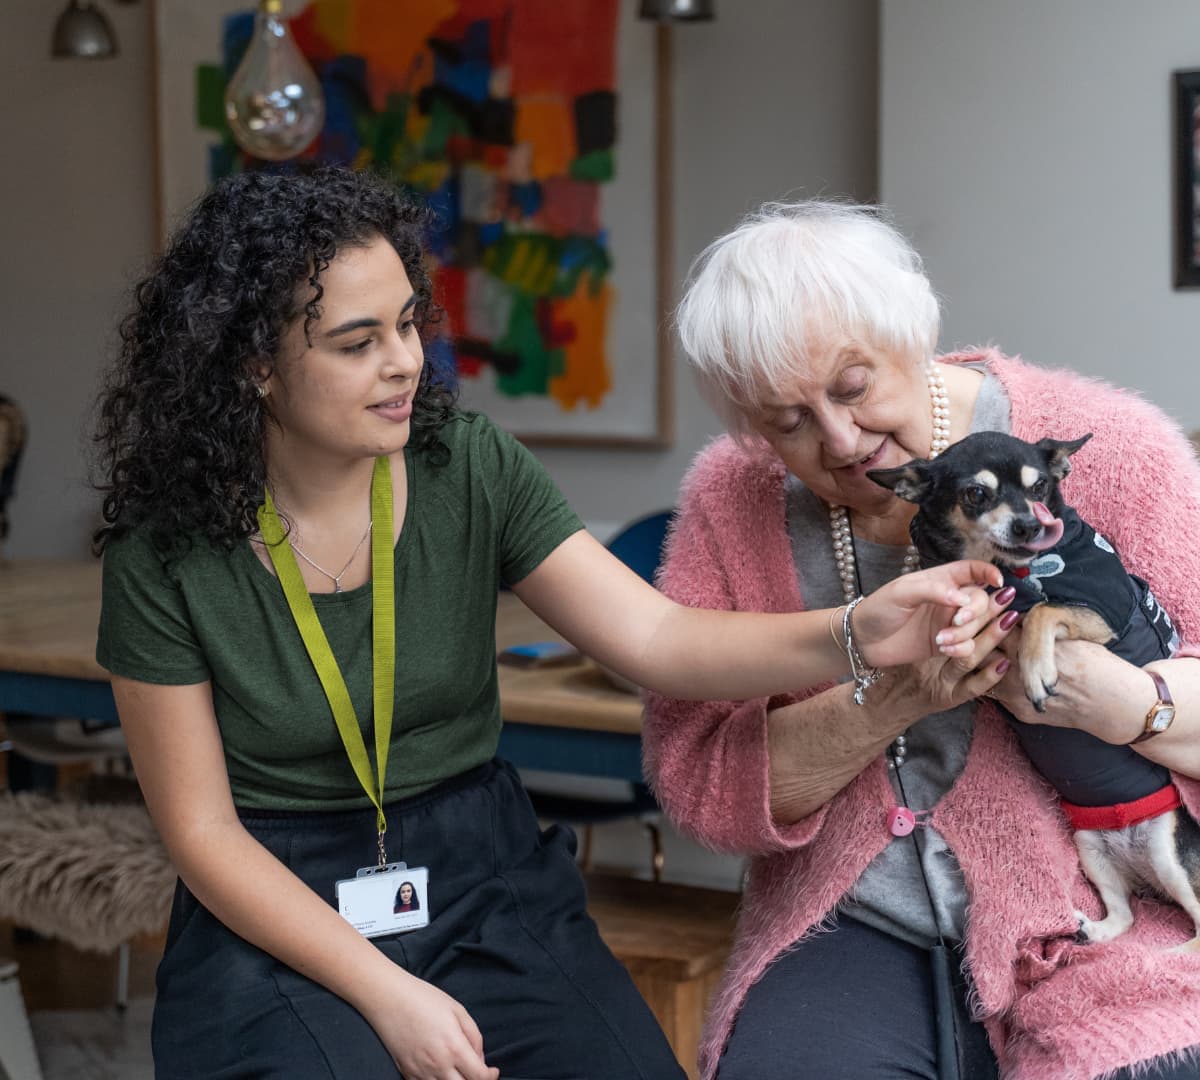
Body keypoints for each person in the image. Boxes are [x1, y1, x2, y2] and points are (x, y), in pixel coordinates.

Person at [91, 168, 1005, 1080]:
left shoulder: (467, 465)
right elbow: (204, 835)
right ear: (256, 364)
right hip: (276, 903)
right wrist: (385, 992)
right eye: (356, 343)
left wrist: (856, 631)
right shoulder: (164, 553)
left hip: (480, 872)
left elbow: (656, 639)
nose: (405, 361)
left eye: (408, 323)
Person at [643, 198, 1200, 1080]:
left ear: (914, 331)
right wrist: (895, 692)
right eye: (785, 421)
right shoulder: (731, 498)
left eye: (854, 386)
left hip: (1128, 897)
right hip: (859, 921)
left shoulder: (1119, 448)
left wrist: (1130, 700)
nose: (839, 440)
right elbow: (703, 784)